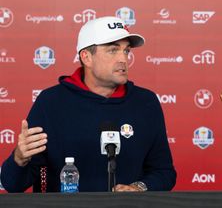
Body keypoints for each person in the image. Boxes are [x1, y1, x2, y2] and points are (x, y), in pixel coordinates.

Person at [0, 16, 177, 192]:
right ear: (86, 57)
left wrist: (138, 188)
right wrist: (19, 159)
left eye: (126, 51)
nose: (124, 58)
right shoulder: (51, 102)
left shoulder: (146, 103)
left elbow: (164, 172)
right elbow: (12, 184)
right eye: (113, 50)